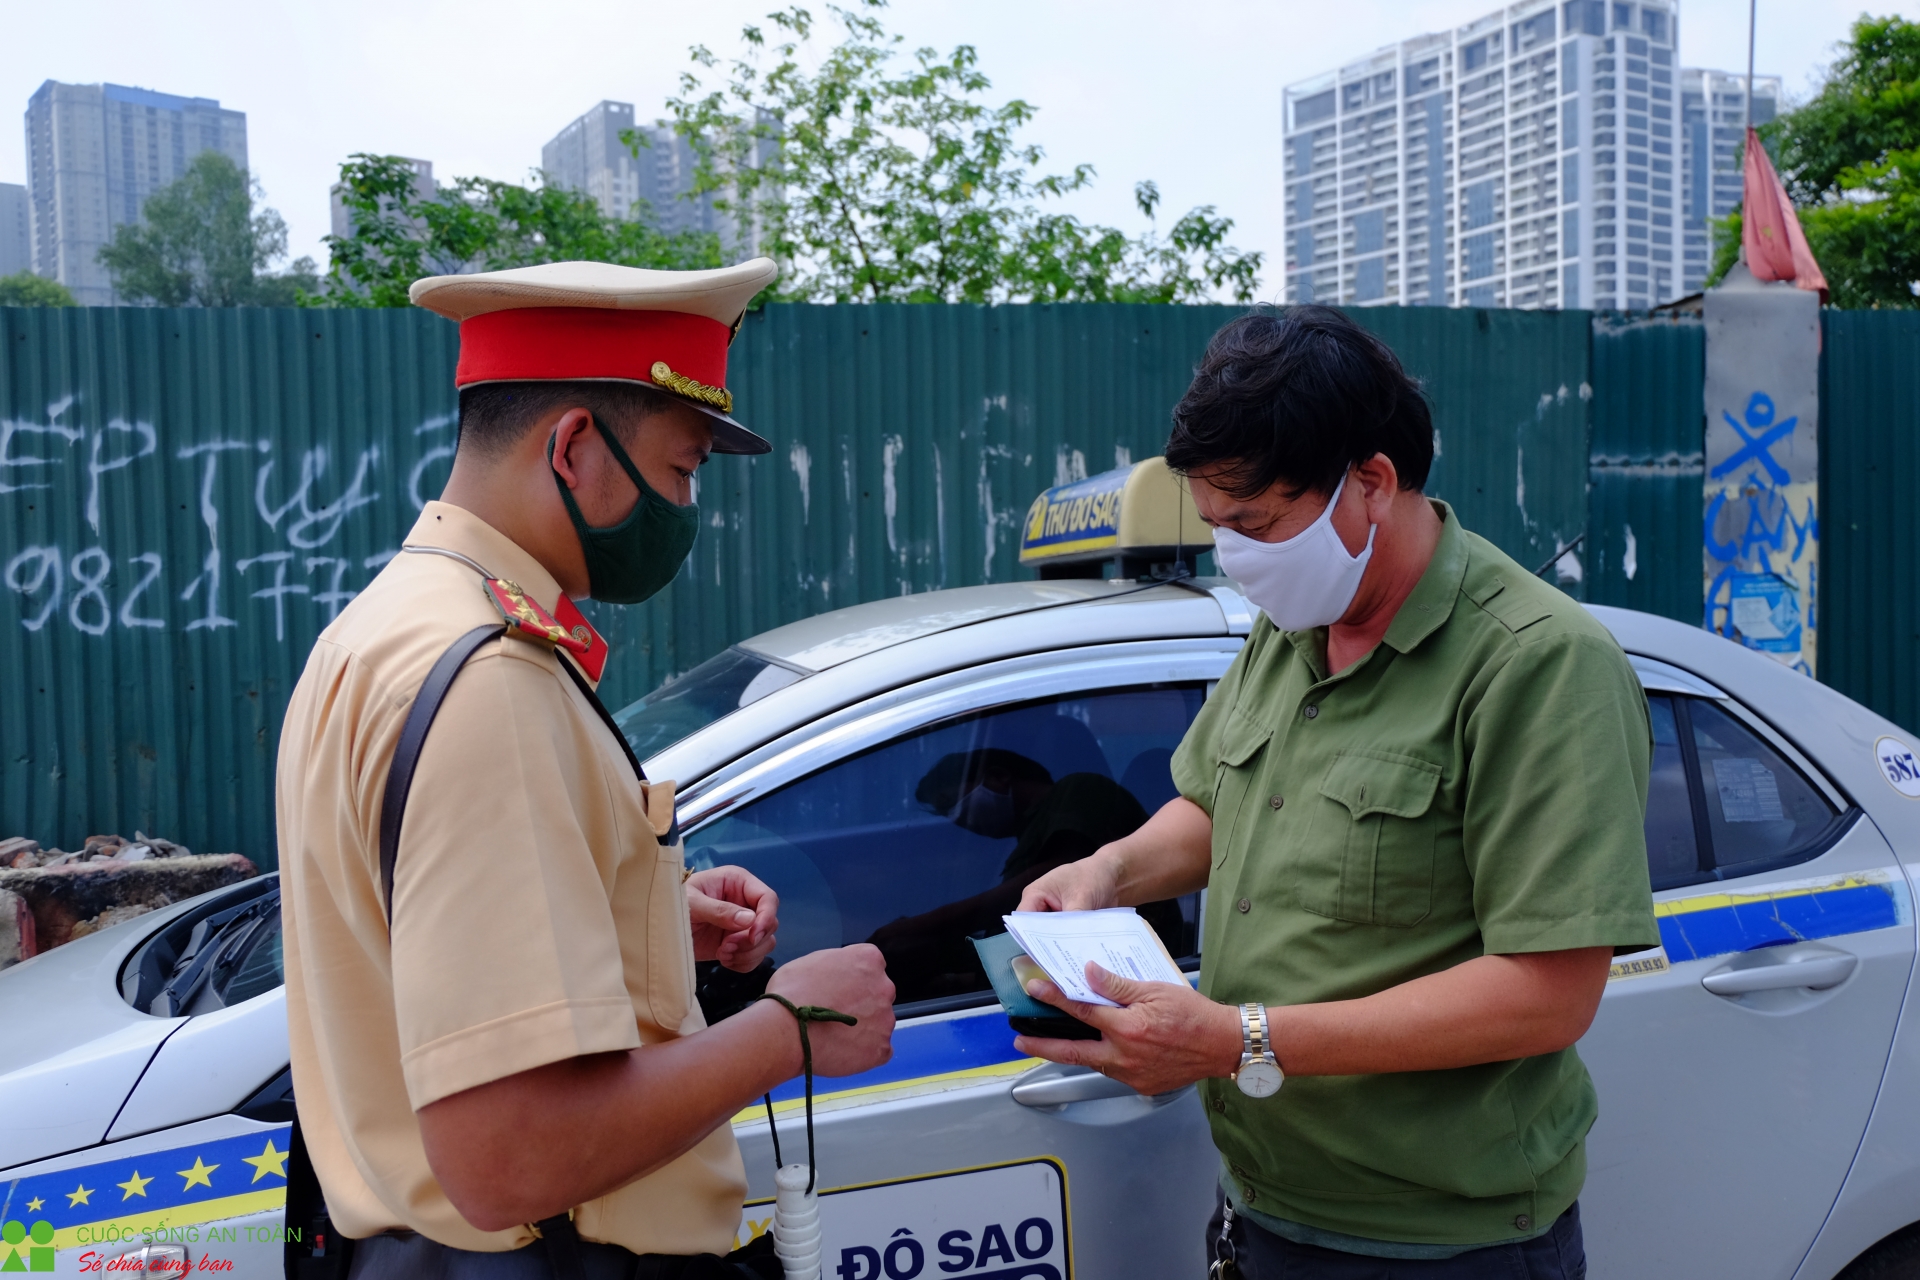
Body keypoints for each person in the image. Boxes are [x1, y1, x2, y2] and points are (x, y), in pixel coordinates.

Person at [277, 259, 895, 1279]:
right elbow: (511, 1155)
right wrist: (789, 1027)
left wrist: (629, 919)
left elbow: (401, 939)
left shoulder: (384, 628)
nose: (688, 506)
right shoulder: (490, 681)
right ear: (572, 447)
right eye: (682, 469)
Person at [1014, 307, 1657, 1278]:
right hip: (1264, 1210)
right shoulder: (1295, 621)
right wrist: (1109, 870)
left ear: (1372, 483)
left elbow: (1549, 994)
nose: (1235, 557)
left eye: (1255, 525)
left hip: (1439, 1247)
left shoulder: (1539, 665)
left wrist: (1239, 1038)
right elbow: (1217, 802)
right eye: (1217, 528)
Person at [867, 746, 1180, 1000]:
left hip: (1130, 982)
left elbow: (1060, 880)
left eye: (952, 803)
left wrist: (922, 925)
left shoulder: (1080, 789)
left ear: (999, 777)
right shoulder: (1024, 839)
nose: (956, 818)